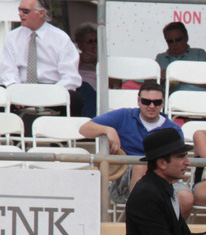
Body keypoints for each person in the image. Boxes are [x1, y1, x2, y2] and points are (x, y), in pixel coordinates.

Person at [78, 81, 194, 216]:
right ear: (138, 101)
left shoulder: (173, 129)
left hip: (164, 177)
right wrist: (108, 129)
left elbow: (177, 161)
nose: (151, 106)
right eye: (146, 101)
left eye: (156, 102)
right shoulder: (123, 116)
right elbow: (84, 129)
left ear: (163, 103)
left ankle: (170, 229)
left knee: (186, 198)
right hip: (125, 178)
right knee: (140, 166)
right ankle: (138, 223)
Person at [0, 0, 84, 119]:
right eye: (19, 10)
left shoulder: (61, 39)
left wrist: (49, 95)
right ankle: (9, 131)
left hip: (52, 88)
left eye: (25, 11)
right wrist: (16, 91)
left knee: (75, 99)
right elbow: (8, 71)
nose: (20, 14)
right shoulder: (12, 37)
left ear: (41, 13)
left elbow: (70, 77)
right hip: (21, 87)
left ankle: (63, 131)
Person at [156, 21, 206, 92]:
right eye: (170, 41)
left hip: (198, 96)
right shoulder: (160, 58)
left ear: (186, 38)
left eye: (178, 40)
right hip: (169, 97)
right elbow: (149, 86)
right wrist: (158, 78)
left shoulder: (199, 53)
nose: (175, 44)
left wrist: (178, 74)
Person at [73, 22, 98, 117]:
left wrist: (96, 62)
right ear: (80, 44)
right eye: (89, 41)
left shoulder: (103, 60)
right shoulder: (73, 58)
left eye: (96, 41)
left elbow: (115, 82)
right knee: (84, 87)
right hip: (81, 91)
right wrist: (80, 60)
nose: (94, 45)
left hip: (99, 92)